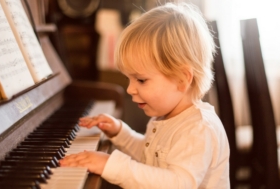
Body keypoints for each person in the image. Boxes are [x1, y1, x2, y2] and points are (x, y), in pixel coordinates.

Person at [59, 2, 230, 188]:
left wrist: (110, 164)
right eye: (129, 79)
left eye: (140, 80)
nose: (130, 89)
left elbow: (178, 183)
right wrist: (121, 133)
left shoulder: (198, 129)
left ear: (182, 79)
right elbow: (150, 155)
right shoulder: (165, 117)